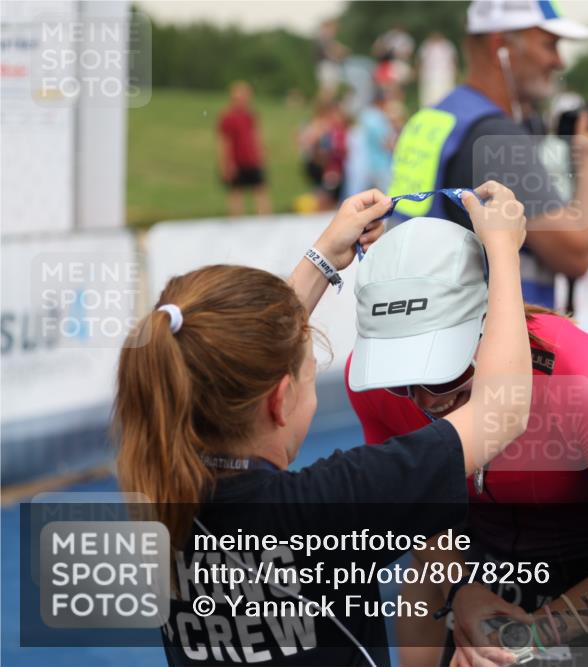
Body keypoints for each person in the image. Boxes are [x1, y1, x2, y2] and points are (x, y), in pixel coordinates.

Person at [114, 182, 533, 667]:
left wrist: (323, 258)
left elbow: (225, 358)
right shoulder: (328, 507)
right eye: (310, 372)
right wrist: (503, 252)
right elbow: (503, 410)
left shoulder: (161, 498)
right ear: (280, 402)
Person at [345, 220, 588, 666]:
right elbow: (429, 536)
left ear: (488, 326)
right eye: (401, 377)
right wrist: (462, 591)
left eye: (441, 368)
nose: (426, 400)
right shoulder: (370, 384)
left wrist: (527, 637)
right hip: (476, 577)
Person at [387, 0, 588, 310]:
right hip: (493, 340)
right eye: (550, 45)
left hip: (427, 323)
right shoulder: (496, 137)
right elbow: (575, 255)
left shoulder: (434, 117)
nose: (559, 61)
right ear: (501, 47)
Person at [217, 81, 272, 216]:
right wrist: (227, 163)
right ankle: (236, 224)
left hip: (252, 160)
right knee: (236, 193)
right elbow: (224, 142)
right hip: (237, 161)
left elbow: (255, 136)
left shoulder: (250, 115)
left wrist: (261, 153)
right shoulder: (228, 117)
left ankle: (266, 221)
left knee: (260, 190)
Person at [418, 32, 458, 107]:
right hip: (429, 74)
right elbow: (421, 60)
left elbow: (453, 59)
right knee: (429, 94)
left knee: (445, 92)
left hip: (445, 74)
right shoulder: (426, 45)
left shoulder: (447, 45)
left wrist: (454, 71)